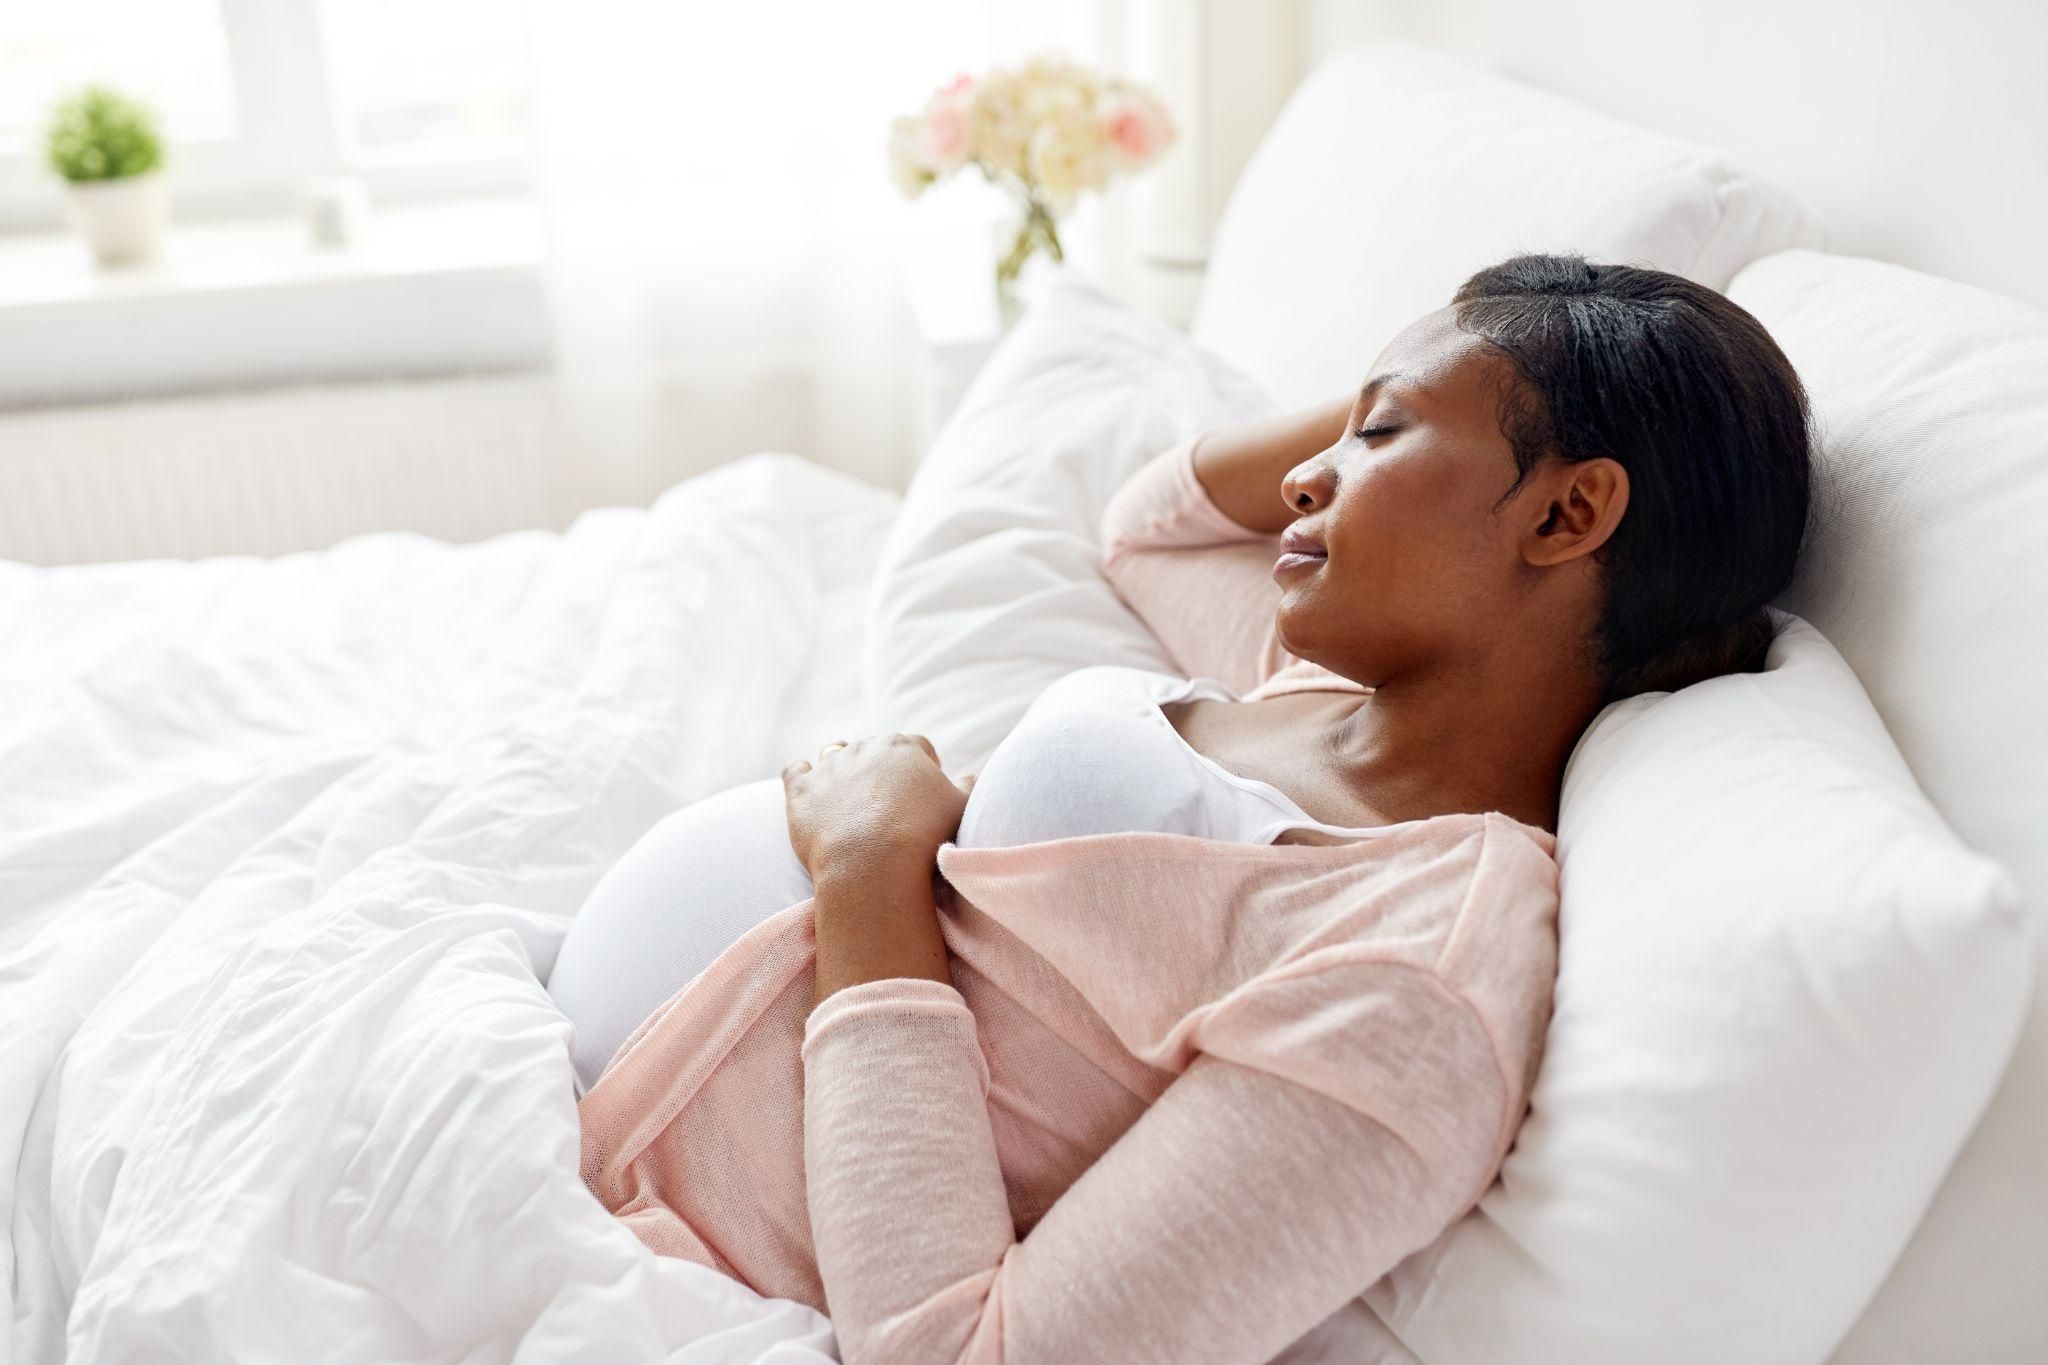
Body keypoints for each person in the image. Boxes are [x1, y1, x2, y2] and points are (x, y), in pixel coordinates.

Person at [547, 252, 1813, 1363]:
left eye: (1375, 436)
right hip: (567, 1076)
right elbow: (1150, 526)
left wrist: (870, 870)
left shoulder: (1413, 973)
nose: (1304, 479)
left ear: (1568, 510)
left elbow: (965, 1353)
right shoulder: (1325, 680)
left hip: (647, 1217)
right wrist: (1478, 351)